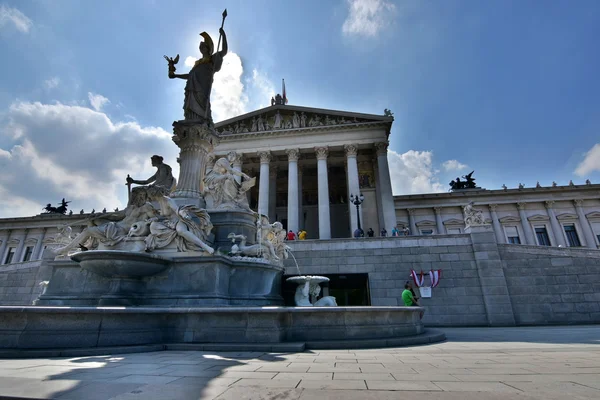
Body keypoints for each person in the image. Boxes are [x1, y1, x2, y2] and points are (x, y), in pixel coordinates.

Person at [169, 28, 228, 123]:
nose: (202, 49)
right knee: (190, 106)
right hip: (192, 88)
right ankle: (192, 120)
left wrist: (223, 35)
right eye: (201, 47)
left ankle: (205, 122)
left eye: (204, 47)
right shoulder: (197, 63)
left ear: (208, 48)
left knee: (203, 103)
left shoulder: (212, 59)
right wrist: (176, 75)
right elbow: (189, 75)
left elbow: (224, 50)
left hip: (203, 87)